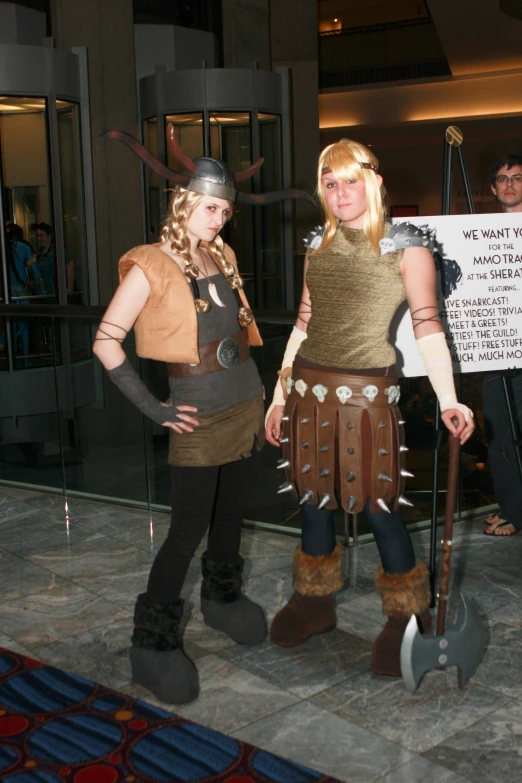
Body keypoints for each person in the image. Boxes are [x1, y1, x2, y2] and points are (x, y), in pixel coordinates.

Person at [93, 127, 312, 704]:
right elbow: (106, 341)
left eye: (224, 209)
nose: (218, 218)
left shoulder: (222, 254)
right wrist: (156, 409)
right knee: (186, 530)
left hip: (244, 403)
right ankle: (153, 644)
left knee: (231, 518)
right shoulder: (150, 262)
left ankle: (222, 600)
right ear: (184, 202)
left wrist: (266, 397)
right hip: (196, 416)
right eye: (209, 207)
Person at [265, 138, 475, 676]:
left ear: (375, 182)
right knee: (313, 500)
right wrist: (279, 394)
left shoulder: (408, 248)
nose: (340, 193)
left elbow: (428, 326)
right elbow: (304, 326)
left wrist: (450, 399)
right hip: (308, 392)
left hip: (367, 398)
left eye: (350, 181)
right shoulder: (318, 245)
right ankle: (314, 603)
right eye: (330, 184)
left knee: (380, 508)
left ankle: (407, 617)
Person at [483, 154, 522, 537]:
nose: (509, 184)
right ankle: (512, 508)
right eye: (502, 178)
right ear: (493, 189)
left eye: (517, 177)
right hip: (496, 350)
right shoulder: (477, 235)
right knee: (499, 434)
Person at [32, 222, 75, 295]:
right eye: (37, 236)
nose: (39, 238)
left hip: (53, 294)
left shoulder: (56, 251)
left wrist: (69, 289)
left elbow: (70, 265)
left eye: (41, 236)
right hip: (42, 294)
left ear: (49, 236)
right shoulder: (40, 253)